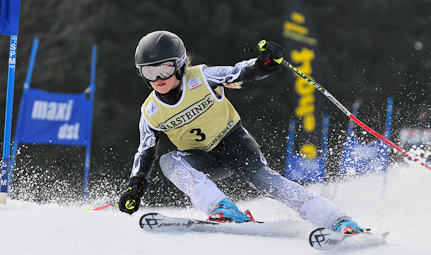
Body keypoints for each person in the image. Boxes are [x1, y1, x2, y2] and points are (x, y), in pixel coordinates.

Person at [119, 30, 362, 234]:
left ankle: (337, 220)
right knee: (168, 161)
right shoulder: (151, 111)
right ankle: (221, 207)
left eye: (164, 69)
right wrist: (135, 186)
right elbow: (145, 151)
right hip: (203, 159)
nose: (158, 78)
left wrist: (264, 64)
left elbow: (240, 71)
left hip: (234, 145)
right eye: (150, 72)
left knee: (266, 181)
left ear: (180, 65)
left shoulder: (202, 78)